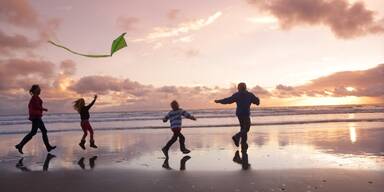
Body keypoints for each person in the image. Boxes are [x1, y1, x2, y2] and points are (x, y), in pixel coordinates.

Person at [215, 82, 260, 150]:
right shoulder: (249, 95)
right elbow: (257, 102)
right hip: (245, 114)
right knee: (246, 128)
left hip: (239, 114)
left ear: (239, 88)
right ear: (245, 87)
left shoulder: (237, 95)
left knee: (243, 128)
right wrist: (257, 99)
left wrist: (219, 101)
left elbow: (228, 100)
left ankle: (243, 143)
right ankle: (237, 137)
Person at [15, 85, 56, 154]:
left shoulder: (36, 97)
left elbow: (37, 106)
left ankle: (48, 147)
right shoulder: (34, 98)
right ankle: (20, 145)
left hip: (37, 117)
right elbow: (36, 106)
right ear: (35, 90)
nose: (40, 90)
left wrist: (41, 109)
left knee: (42, 131)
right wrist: (43, 109)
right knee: (35, 132)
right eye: (39, 89)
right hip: (36, 117)